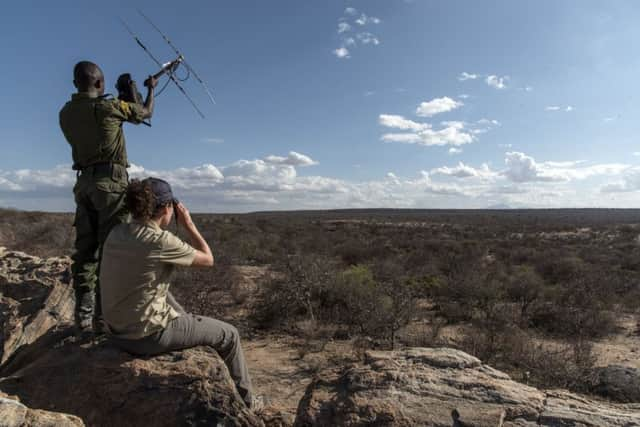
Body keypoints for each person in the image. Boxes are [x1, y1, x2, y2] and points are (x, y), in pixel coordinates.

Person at [99, 178, 255, 409]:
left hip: (114, 331)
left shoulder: (117, 232)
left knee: (158, 289)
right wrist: (190, 225)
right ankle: (249, 403)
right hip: (146, 337)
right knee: (230, 335)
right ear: (165, 208)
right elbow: (208, 259)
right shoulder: (160, 240)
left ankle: (185, 325)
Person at [59, 61, 158, 333]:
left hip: (84, 184)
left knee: (85, 252)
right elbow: (145, 113)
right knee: (111, 251)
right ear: (100, 84)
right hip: (111, 184)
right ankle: (104, 320)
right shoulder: (109, 107)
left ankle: (83, 316)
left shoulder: (66, 112)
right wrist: (150, 89)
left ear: (75, 83)